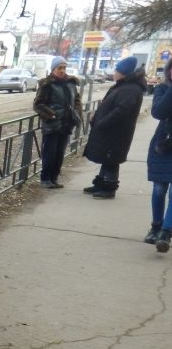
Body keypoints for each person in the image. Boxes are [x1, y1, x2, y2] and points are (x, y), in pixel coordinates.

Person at [82, 56, 146, 199]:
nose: (114, 72)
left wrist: (102, 122)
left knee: (111, 159)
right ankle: (101, 183)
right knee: (107, 158)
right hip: (112, 132)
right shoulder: (123, 86)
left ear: (124, 73)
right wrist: (97, 116)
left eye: (117, 70)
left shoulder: (129, 89)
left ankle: (109, 188)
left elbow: (121, 111)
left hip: (116, 133)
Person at [33, 56, 83, 188]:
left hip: (66, 124)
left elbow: (77, 101)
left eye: (64, 68)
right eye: (59, 68)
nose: (62, 70)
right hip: (52, 125)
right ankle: (45, 179)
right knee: (49, 153)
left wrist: (77, 114)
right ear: (53, 69)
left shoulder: (70, 84)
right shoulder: (47, 84)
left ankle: (54, 178)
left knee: (60, 154)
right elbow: (38, 104)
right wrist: (51, 115)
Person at [144, 57, 172, 252]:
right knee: (159, 189)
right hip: (164, 144)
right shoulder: (163, 89)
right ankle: (155, 226)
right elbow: (158, 113)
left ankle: (166, 232)